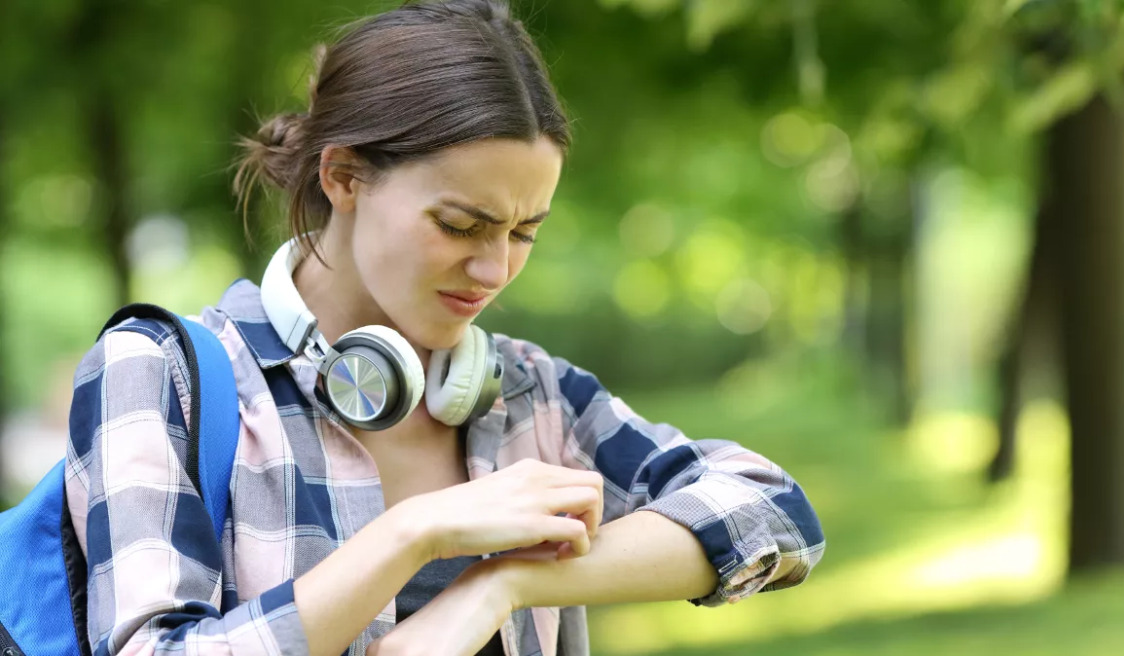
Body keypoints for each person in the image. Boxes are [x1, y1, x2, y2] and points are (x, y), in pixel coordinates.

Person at [64, 1, 826, 655]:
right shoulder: (160, 372)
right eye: (462, 224)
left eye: (524, 231)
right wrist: (412, 535)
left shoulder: (531, 393)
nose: (494, 270)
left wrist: (504, 582)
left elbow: (773, 512)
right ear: (343, 177)